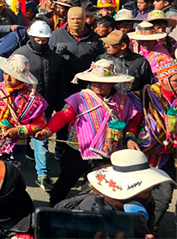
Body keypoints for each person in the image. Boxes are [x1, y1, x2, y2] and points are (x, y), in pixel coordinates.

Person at [35, 59, 142, 206]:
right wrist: (48, 130)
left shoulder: (124, 101)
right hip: (78, 149)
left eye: (102, 82)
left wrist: (130, 138)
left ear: (113, 83)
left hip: (108, 151)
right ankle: (53, 208)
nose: (97, 85)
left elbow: (132, 122)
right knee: (66, 181)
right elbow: (64, 115)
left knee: (100, 186)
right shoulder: (80, 98)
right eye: (94, 81)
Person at [55, 149, 175, 237]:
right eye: (140, 182)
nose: (148, 187)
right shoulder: (93, 207)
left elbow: (147, 230)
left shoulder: (145, 199)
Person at [11, 20, 66, 191]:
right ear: (31, 36)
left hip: (44, 109)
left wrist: (60, 104)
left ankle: (42, 175)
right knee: (15, 141)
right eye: (38, 39)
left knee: (41, 141)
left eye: (44, 40)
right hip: (19, 109)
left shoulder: (56, 59)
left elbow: (59, 83)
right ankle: (11, 174)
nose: (41, 43)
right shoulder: (20, 54)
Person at [135, 58, 177, 231]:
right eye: (175, 80)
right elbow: (133, 122)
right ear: (163, 79)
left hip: (167, 155)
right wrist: (129, 137)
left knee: (164, 195)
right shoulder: (145, 96)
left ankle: (150, 229)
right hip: (143, 154)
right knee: (137, 194)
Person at [48, 6, 105, 95]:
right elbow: (48, 58)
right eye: (72, 19)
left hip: (87, 86)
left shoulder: (95, 38)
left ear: (84, 19)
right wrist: (58, 54)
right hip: (63, 84)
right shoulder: (56, 35)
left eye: (79, 19)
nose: (76, 21)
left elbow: (102, 59)